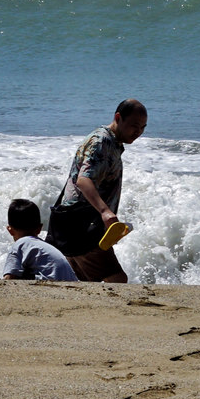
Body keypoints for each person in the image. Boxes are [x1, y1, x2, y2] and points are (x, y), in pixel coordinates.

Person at [46, 99, 147, 283]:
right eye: (134, 126)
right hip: (82, 224)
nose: (138, 132)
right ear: (118, 117)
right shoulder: (102, 142)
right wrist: (105, 211)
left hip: (75, 224)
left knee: (82, 282)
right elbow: (84, 180)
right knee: (116, 278)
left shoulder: (112, 143)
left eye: (142, 127)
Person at [0, 198, 77, 282]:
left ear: (10, 230)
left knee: (20, 274)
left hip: (53, 284)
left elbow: (9, 278)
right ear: (39, 229)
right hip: (72, 281)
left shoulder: (19, 245)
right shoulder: (45, 247)